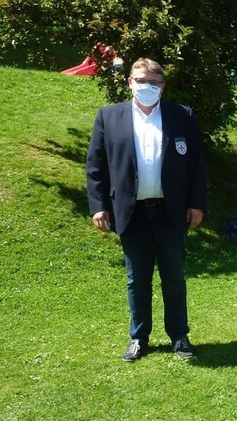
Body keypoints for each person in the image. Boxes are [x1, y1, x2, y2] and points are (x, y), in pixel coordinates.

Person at [86, 58, 207, 362]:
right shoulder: (109, 117)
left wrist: (196, 204)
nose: (147, 87)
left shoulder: (182, 116)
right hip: (131, 212)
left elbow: (196, 167)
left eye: (154, 83)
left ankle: (179, 336)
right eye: (141, 81)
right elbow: (96, 167)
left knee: (174, 277)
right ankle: (139, 338)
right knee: (136, 279)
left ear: (163, 86)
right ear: (129, 82)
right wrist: (99, 206)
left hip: (172, 211)